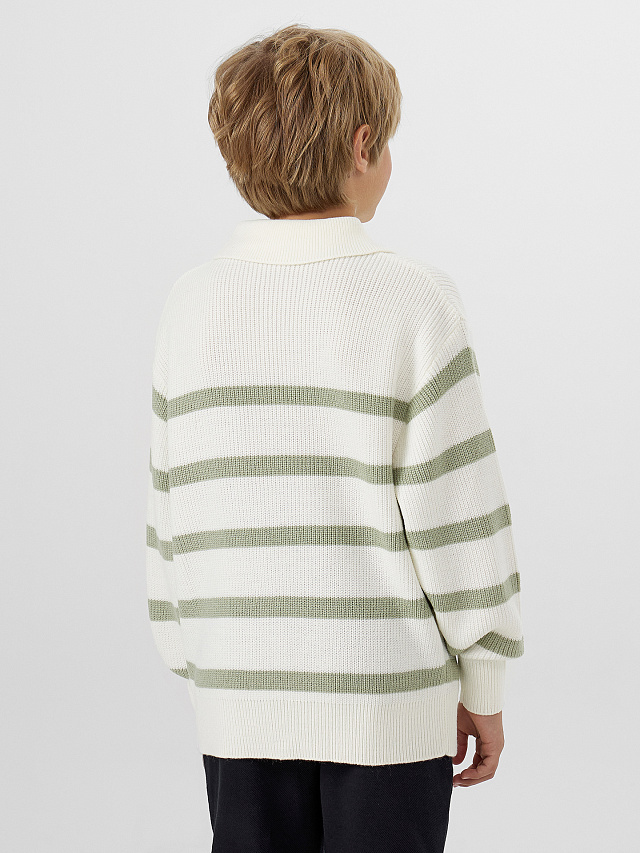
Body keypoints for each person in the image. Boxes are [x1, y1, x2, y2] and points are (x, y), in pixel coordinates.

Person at [146, 23, 524, 853]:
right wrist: (484, 673)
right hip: (387, 696)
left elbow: (170, 503)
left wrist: (197, 653)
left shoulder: (191, 302)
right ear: (362, 145)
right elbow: (457, 509)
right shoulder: (414, 298)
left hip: (236, 690)